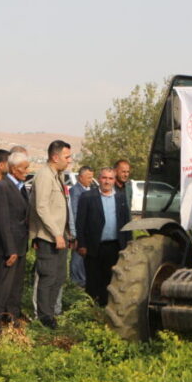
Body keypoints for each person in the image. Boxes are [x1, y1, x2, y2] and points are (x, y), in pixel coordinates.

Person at [29, 139, 72, 328]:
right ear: (55, 157)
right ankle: (44, 317)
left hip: (60, 236)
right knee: (47, 276)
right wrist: (56, 234)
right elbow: (41, 207)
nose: (69, 160)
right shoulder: (44, 176)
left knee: (59, 276)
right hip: (49, 237)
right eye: (66, 156)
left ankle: (52, 313)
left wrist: (66, 233)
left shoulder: (57, 175)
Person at [0, 150, 31, 333]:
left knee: (15, 286)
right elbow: (3, 221)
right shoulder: (3, 187)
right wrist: (10, 249)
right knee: (1, 286)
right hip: (7, 246)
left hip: (20, 245)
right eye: (24, 168)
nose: (27, 171)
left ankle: (11, 316)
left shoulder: (20, 186)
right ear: (13, 168)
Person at [76, 167, 132, 306]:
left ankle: (107, 309)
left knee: (111, 281)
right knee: (93, 281)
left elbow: (126, 222)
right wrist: (82, 244)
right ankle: (92, 311)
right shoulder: (88, 197)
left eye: (110, 178)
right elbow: (80, 222)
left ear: (114, 180)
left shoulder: (120, 197)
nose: (107, 181)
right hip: (93, 247)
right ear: (99, 179)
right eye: (104, 178)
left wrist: (128, 245)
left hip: (114, 246)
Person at [68, 166, 95, 288]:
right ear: (81, 177)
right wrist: (75, 234)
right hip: (80, 230)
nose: (91, 180)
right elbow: (74, 212)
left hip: (88, 230)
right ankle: (76, 282)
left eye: (92, 177)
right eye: (88, 177)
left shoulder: (89, 190)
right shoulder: (76, 191)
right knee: (77, 257)